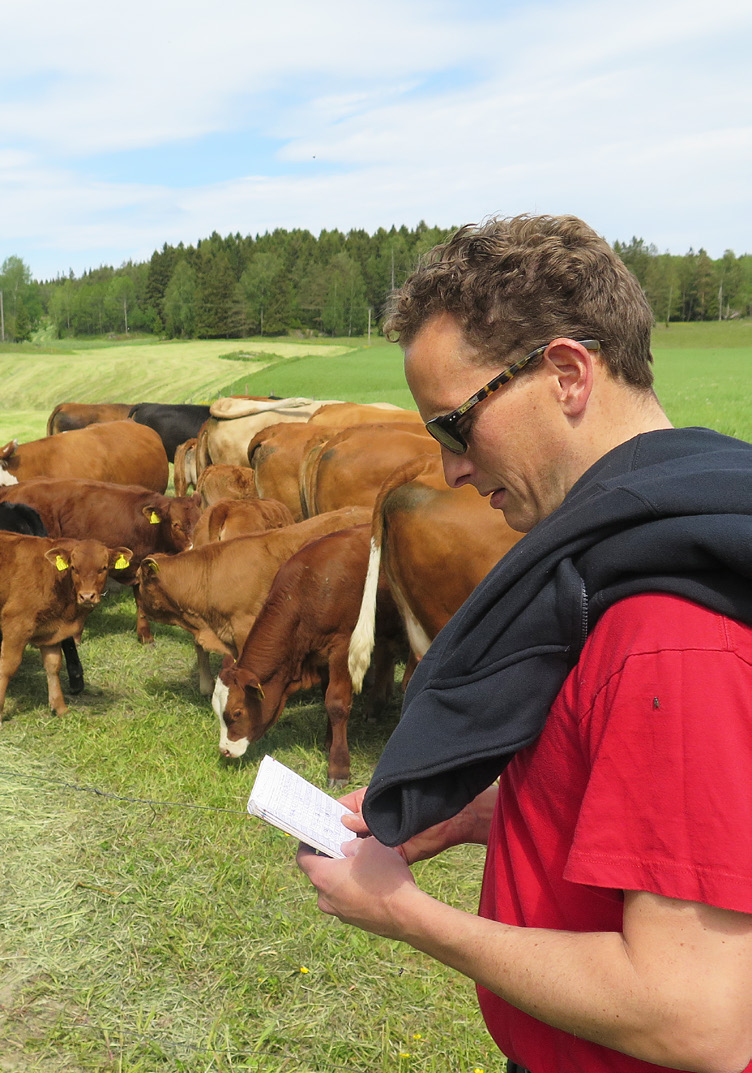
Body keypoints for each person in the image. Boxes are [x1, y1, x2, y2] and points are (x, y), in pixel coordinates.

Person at [297, 215, 752, 1073]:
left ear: (568, 374)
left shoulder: (666, 631)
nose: (452, 470)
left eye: (456, 425)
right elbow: (674, 828)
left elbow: (694, 1016)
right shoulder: (636, 545)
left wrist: (410, 916)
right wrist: (482, 814)